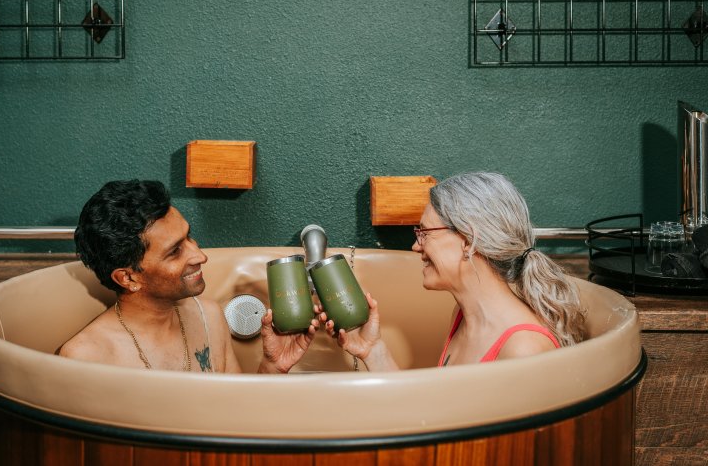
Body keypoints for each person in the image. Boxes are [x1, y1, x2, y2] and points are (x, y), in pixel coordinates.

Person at [320, 171, 587, 371]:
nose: (416, 246)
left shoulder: (524, 349)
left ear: (469, 240)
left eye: (425, 233)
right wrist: (372, 349)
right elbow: (434, 418)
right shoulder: (462, 318)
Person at [58, 179, 317, 373]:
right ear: (128, 278)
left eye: (189, 237)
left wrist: (273, 366)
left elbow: (238, 416)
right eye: (175, 252)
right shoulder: (86, 357)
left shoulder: (208, 316)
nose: (199, 255)